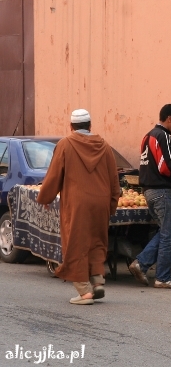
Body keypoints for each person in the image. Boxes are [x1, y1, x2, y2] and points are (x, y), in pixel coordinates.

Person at [37, 109, 121, 305]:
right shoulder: (105, 146)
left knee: (76, 243)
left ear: (71, 127)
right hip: (100, 201)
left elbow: (54, 175)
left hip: (77, 203)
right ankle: (98, 281)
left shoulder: (65, 145)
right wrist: (112, 203)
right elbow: (114, 180)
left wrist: (45, 198)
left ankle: (84, 292)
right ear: (90, 125)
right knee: (97, 240)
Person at [128, 104, 171, 289]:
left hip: (148, 191)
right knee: (168, 235)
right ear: (169, 118)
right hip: (161, 192)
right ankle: (162, 277)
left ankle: (141, 264)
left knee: (165, 232)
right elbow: (166, 168)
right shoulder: (163, 136)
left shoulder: (148, 136)